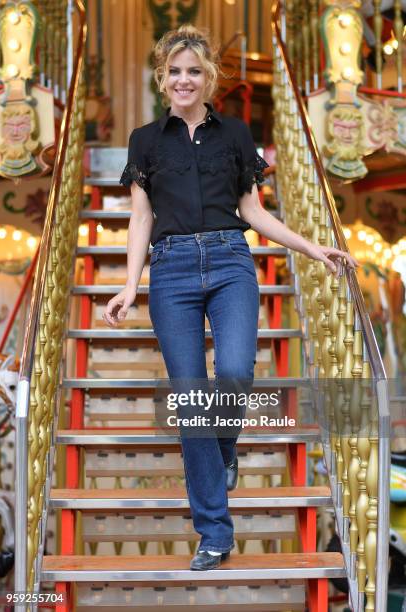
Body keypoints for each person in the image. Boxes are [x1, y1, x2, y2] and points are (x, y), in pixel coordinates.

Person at [103, 24, 358, 571]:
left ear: (209, 78)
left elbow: (254, 212)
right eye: (174, 71)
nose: (184, 80)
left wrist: (315, 248)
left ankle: (224, 450)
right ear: (161, 78)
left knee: (238, 372)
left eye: (194, 71)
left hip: (229, 262)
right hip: (170, 273)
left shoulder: (236, 134)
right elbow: (141, 219)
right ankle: (215, 533)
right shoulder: (144, 141)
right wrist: (129, 285)